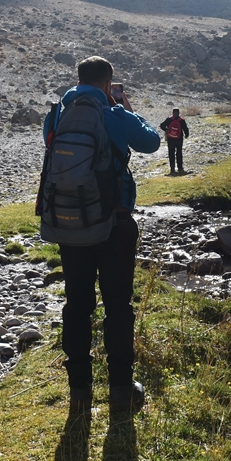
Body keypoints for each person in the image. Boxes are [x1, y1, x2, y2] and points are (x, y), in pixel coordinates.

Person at [44, 56, 160, 413]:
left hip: (69, 221)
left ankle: (80, 389)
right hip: (113, 222)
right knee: (117, 307)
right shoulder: (114, 114)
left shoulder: (58, 114)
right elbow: (151, 142)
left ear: (78, 79)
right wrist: (126, 109)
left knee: (77, 304)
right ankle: (122, 391)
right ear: (109, 84)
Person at [159, 107, 190, 174]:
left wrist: (167, 130)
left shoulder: (169, 119)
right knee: (179, 153)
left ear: (172, 113)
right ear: (178, 113)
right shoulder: (181, 120)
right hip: (179, 139)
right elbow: (185, 129)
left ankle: (172, 169)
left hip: (170, 139)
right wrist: (186, 135)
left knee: (171, 153)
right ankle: (180, 168)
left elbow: (161, 126)